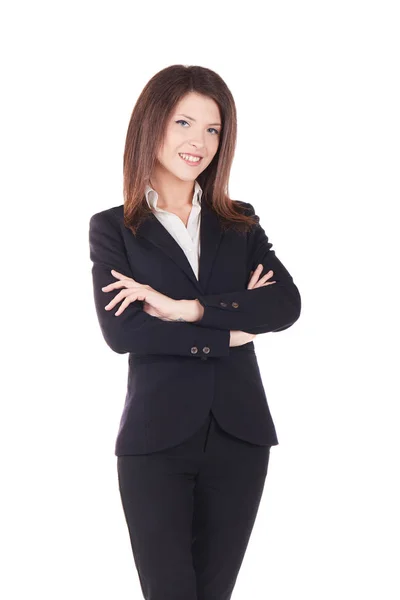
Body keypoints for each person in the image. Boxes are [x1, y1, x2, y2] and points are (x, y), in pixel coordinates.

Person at [89, 64, 301, 600]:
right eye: (184, 123)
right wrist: (230, 327)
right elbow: (123, 331)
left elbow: (283, 306)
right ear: (151, 124)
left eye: (212, 129)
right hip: (155, 441)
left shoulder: (240, 222)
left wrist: (186, 310)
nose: (199, 142)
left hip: (240, 437)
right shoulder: (115, 228)